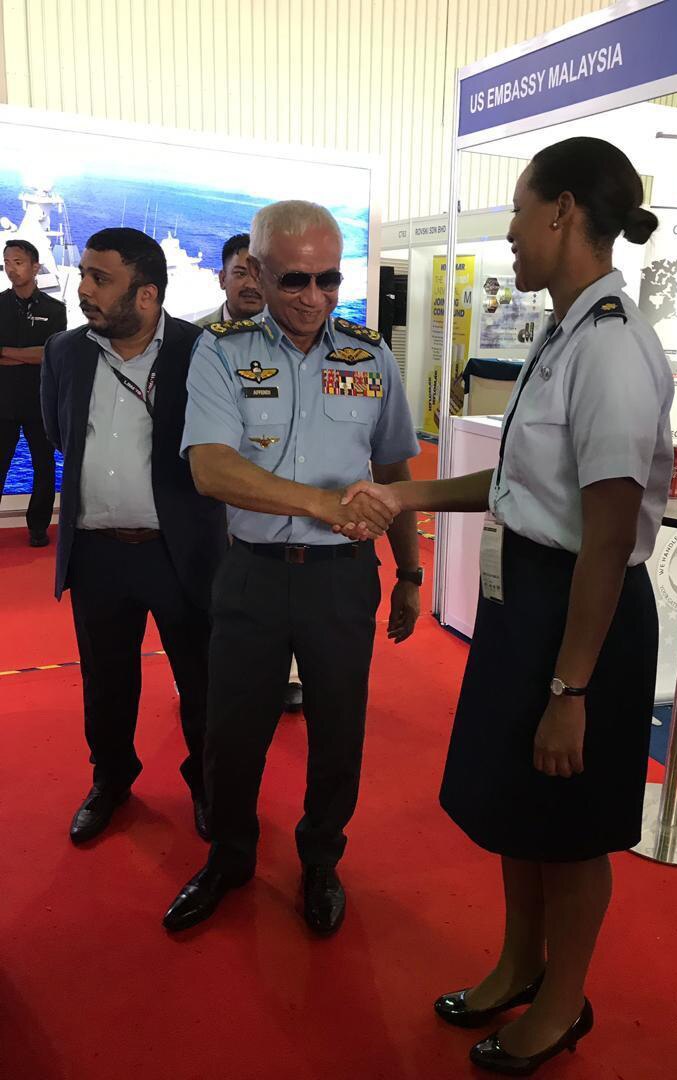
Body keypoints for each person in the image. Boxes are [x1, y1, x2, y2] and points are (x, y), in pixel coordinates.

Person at [343, 137, 673, 1075]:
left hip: (583, 620)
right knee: (521, 811)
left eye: (520, 212)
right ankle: (519, 964)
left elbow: (606, 535)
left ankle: (562, 1005)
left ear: (564, 212)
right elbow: (523, 487)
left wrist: (572, 688)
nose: (513, 235)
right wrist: (407, 496)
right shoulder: (566, 332)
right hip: (530, 602)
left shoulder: (611, 349)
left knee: (570, 831)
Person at [163, 200, 421, 936]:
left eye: (329, 280)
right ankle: (230, 856)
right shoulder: (221, 350)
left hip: (342, 580)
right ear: (257, 272)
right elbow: (212, 470)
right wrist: (324, 503)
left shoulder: (369, 356)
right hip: (252, 573)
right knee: (232, 729)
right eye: (295, 281)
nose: (314, 298)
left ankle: (320, 860)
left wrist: (409, 570)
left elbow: (394, 466)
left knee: (340, 730)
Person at [40, 228, 228, 846]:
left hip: (181, 554)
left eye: (100, 278)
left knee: (201, 682)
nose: (83, 288)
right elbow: (59, 432)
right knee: (107, 682)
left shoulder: (204, 352)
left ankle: (205, 786)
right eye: (84, 275)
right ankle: (112, 780)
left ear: (146, 295)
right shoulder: (64, 352)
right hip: (97, 555)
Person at [196, 232, 304, 713]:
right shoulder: (192, 339)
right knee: (211, 583)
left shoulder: (291, 342)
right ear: (221, 278)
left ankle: (290, 674)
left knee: (284, 584)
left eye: (255, 273)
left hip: (275, 488)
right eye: (238, 272)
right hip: (206, 485)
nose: (248, 283)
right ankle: (210, 669)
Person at [0, 239, 67, 546]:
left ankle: (38, 528)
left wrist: (8, 353)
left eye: (18, 262)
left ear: (35, 266)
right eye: (7, 262)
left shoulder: (55, 310)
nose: (11, 268)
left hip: (40, 402)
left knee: (44, 466)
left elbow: (49, 354)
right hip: (4, 402)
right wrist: (29, 353)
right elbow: (37, 353)